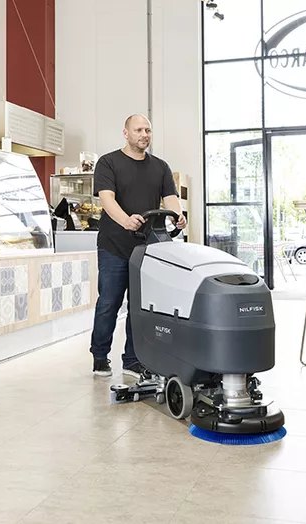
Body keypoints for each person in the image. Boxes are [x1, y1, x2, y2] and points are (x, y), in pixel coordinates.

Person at [90, 114, 186, 378]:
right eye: (139, 130)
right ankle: (100, 356)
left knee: (139, 306)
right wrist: (125, 220)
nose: (144, 135)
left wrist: (178, 215)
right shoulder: (108, 162)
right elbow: (107, 199)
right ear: (126, 133)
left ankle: (133, 359)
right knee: (109, 303)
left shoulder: (161, 167)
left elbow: (170, 197)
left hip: (148, 249)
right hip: (114, 245)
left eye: (148, 130)